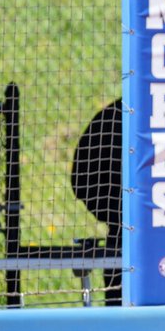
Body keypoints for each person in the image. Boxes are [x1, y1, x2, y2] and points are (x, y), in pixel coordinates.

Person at [70, 98, 123, 305]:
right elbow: (80, 180)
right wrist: (117, 216)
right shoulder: (113, 117)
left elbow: (79, 181)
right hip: (119, 237)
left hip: (119, 234)